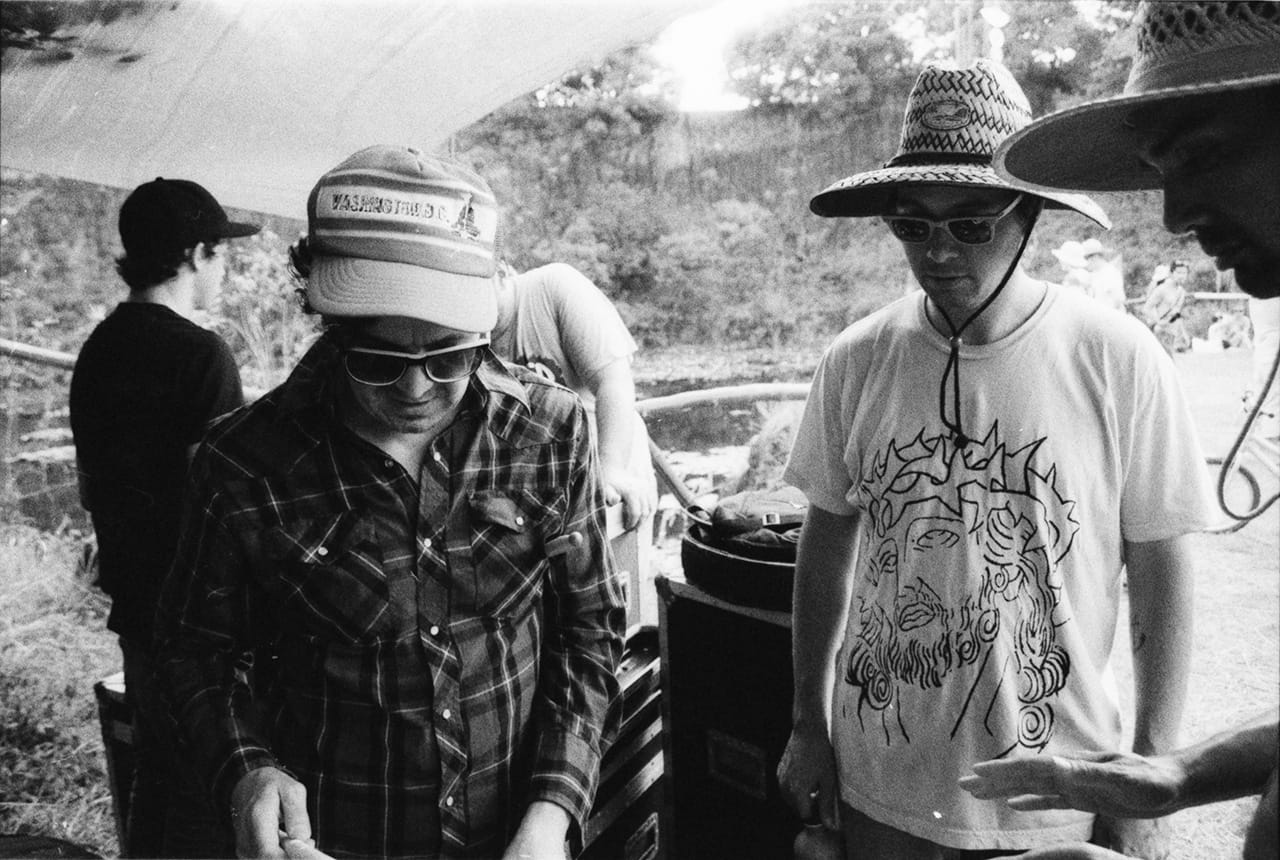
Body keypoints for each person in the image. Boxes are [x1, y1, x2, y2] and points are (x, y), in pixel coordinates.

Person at [775, 58, 1215, 859]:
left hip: (1056, 781)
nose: (938, 253)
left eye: (970, 223)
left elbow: (1162, 570)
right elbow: (827, 545)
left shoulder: (1115, 357)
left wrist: (1153, 766)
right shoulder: (857, 358)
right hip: (882, 779)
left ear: (1027, 217)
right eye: (913, 225)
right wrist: (809, 724)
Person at [152, 145, 625, 860]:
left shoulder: (548, 433)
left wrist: (554, 811)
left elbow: (588, 635)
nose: (413, 392)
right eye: (375, 359)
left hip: (518, 836)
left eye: (449, 357)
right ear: (321, 312)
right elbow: (194, 653)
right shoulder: (243, 465)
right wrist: (246, 771)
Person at [971, 3, 1280, 859]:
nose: (1176, 212)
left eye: (1201, 153)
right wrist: (1181, 776)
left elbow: (1162, 556)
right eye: (1159, 169)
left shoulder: (1116, 354)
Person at [69, 177, 259, 858]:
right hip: (199, 626)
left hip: (138, 613)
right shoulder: (201, 357)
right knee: (213, 796)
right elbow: (225, 510)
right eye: (221, 253)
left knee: (154, 772)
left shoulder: (98, 350)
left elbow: (92, 488)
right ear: (196, 251)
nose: (224, 269)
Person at [491, 260, 658, 531]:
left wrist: (612, 469)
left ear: (501, 272)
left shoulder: (554, 287)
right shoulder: (463, 331)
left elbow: (614, 382)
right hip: (538, 492)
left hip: (608, 464)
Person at [1140, 260, 1191, 353]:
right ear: (1171, 273)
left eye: (1184, 273)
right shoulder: (1162, 289)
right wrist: (1158, 322)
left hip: (1172, 333)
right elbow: (1146, 309)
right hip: (1160, 331)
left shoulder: (1181, 291)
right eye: (1178, 272)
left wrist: (1184, 334)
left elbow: (1176, 314)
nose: (1181, 276)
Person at [1080, 239, 1128, 314]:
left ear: (1094, 257)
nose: (1086, 264)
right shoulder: (1094, 274)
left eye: (1086, 260)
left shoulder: (1109, 273)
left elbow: (1118, 299)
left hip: (1112, 317)